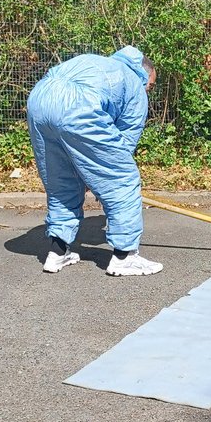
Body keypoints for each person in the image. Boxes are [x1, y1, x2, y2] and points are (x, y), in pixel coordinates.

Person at [26, 46, 163, 277]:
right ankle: (125, 257)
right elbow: (123, 145)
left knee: (61, 181)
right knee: (123, 179)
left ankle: (57, 253)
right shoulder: (134, 83)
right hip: (79, 106)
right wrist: (103, 182)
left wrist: (90, 173)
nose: (149, 90)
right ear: (145, 74)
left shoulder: (96, 62)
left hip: (40, 98)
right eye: (151, 85)